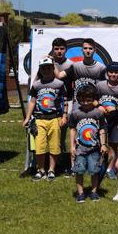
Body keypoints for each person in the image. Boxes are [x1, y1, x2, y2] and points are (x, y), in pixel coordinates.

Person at [23, 57, 68, 181]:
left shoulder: (59, 84)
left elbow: (64, 101)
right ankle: (40, 169)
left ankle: (51, 170)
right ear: (40, 70)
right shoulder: (36, 85)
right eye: (44, 68)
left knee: (54, 146)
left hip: (55, 119)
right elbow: (32, 101)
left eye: (49, 67)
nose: (47, 70)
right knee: (39, 146)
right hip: (39, 119)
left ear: (53, 68)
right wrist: (28, 118)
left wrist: (64, 116)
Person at [68, 84, 108, 203]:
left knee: (94, 171)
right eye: (83, 100)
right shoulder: (75, 113)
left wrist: (104, 144)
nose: (85, 103)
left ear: (94, 100)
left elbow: (102, 129)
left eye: (89, 100)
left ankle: (94, 192)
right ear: (79, 99)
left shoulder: (98, 113)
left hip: (94, 148)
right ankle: (80, 193)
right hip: (80, 148)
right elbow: (72, 129)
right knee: (79, 171)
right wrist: (72, 146)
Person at [96, 62, 118, 179]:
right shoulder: (100, 85)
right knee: (100, 144)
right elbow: (93, 99)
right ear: (107, 73)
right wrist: (99, 105)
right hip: (101, 121)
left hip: (116, 120)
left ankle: (110, 168)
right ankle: (98, 166)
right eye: (111, 72)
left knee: (113, 145)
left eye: (116, 72)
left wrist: (115, 108)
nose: (113, 75)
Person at [51, 37, 74, 176]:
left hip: (69, 101)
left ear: (66, 50)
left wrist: (51, 62)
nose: (59, 52)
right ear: (53, 49)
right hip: (53, 102)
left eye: (61, 49)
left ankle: (70, 164)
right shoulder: (48, 63)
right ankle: (57, 163)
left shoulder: (71, 65)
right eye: (56, 49)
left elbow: (59, 76)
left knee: (69, 132)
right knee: (56, 133)